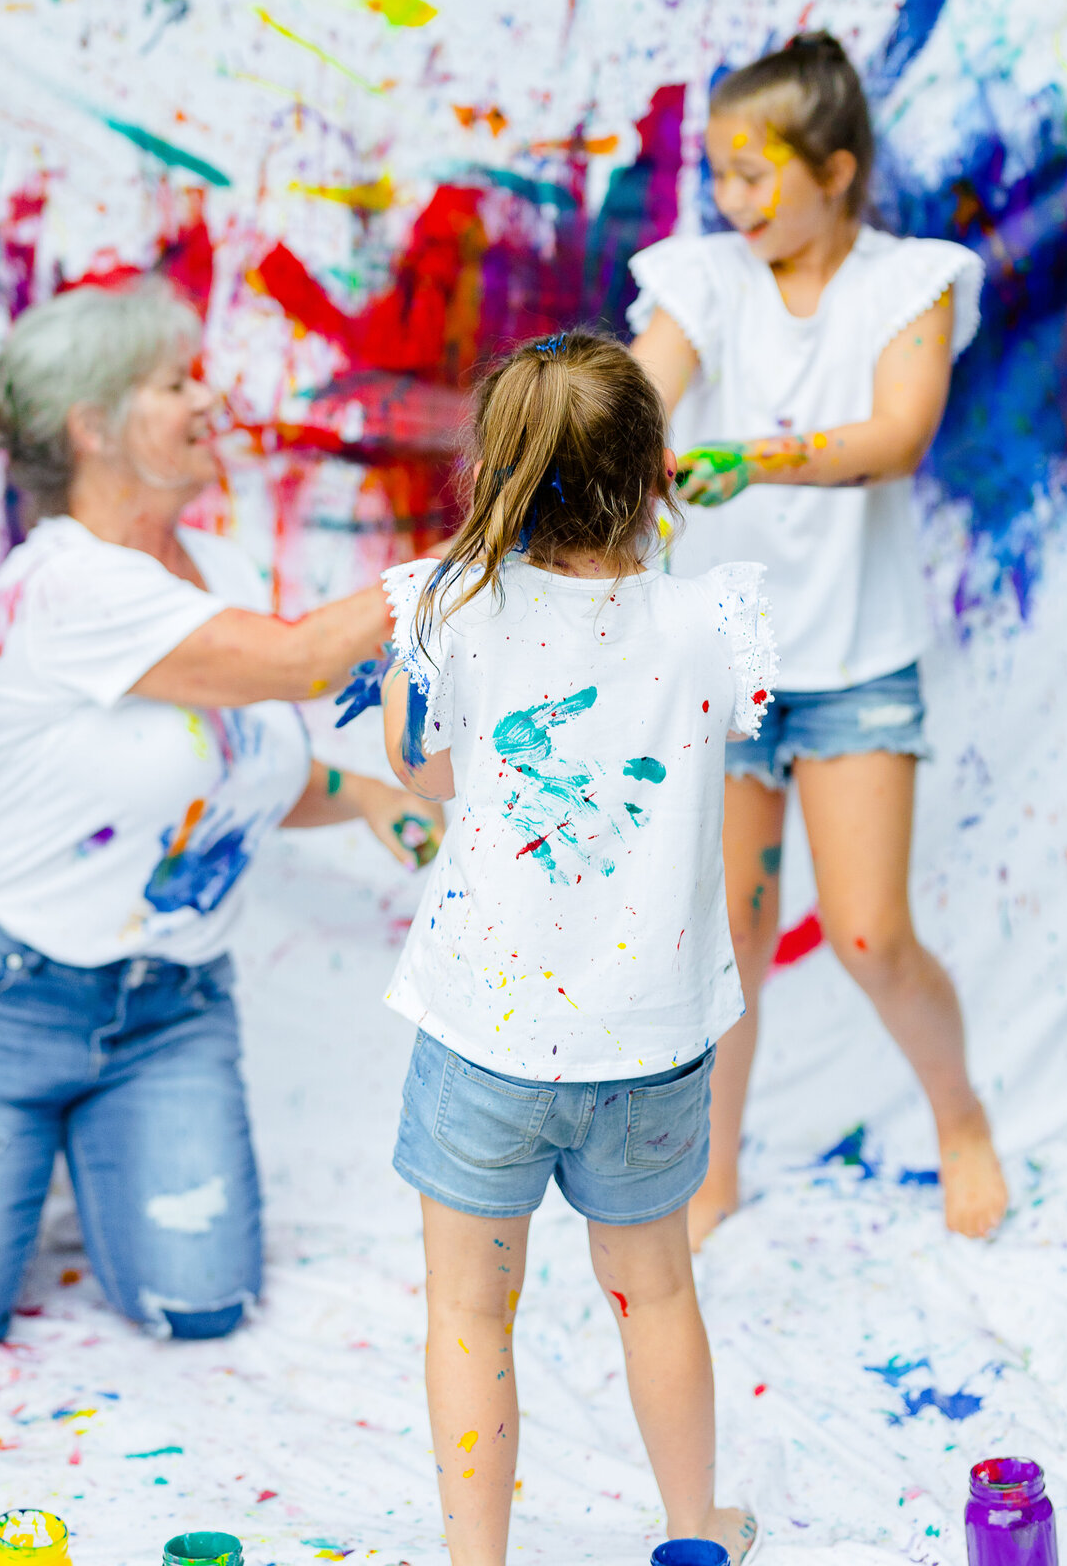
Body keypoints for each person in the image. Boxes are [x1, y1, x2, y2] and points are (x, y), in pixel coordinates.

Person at [0, 277, 440, 1358]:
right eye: (173, 382)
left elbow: (229, 778)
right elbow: (293, 660)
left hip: (170, 1013)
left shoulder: (218, 574)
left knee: (200, 1308)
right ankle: (4, 1143)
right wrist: (499, 542)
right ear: (92, 426)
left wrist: (371, 793)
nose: (206, 400)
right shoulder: (62, 585)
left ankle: (93, 1141)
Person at [379, 331, 768, 1565]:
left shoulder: (444, 605)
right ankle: (696, 1529)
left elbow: (413, 761)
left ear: (494, 473)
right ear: (658, 472)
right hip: (649, 1047)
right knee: (652, 1291)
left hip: (484, 1043)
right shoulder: (720, 617)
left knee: (464, 1310)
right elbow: (739, 726)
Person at [627, 30, 1008, 1248]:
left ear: (835, 170)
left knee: (867, 934)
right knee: (727, 933)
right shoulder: (706, 278)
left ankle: (961, 1119)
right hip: (721, 665)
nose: (731, 201)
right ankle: (715, 1167)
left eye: (756, 176)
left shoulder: (914, 282)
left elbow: (896, 439)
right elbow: (643, 391)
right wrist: (586, 433)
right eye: (720, 176)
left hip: (856, 666)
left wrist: (755, 459)